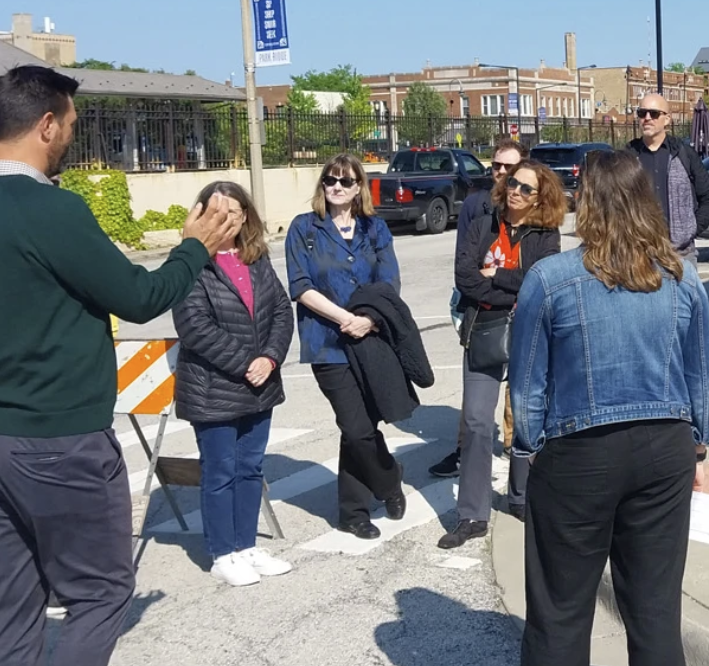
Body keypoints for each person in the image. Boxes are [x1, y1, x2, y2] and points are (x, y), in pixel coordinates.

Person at [0, 64, 238, 665]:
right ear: (46, 125)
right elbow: (138, 297)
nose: (72, 141)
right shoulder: (48, 210)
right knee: (101, 593)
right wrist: (195, 248)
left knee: (14, 603)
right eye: (73, 126)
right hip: (59, 436)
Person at [511, 150, 709, 665]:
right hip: (664, 447)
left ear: (587, 203)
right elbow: (701, 374)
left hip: (578, 451)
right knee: (654, 611)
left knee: (561, 608)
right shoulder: (682, 276)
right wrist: (698, 439)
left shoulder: (550, 277)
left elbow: (527, 381)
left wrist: (530, 445)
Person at [171, 181, 295, 587]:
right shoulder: (189, 262)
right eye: (219, 213)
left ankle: (246, 546)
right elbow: (195, 328)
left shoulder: (255, 258)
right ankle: (222, 552)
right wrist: (247, 363)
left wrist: (270, 358)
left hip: (259, 385)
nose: (229, 220)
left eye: (237, 212)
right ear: (202, 214)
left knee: (250, 468)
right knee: (220, 471)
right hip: (214, 388)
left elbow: (280, 310)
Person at [443, 160, 564, 547]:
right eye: (514, 183)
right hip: (483, 331)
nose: (516, 191)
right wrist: (504, 284)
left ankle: (521, 497)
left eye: (527, 188)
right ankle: (471, 515)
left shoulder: (547, 236)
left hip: (529, 333)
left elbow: (539, 281)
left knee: (528, 420)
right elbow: (465, 279)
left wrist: (494, 276)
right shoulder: (482, 225)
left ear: (539, 198)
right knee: (478, 422)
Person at [286, 154, 405, 539]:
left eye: (346, 181)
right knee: (355, 428)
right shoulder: (304, 229)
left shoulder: (375, 229)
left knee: (362, 426)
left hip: (371, 340)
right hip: (328, 344)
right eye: (330, 180)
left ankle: (352, 512)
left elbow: (388, 283)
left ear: (359, 188)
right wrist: (344, 319)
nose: (336, 186)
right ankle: (388, 481)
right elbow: (301, 286)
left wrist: (369, 320)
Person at [435, 138, 527, 480]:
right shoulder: (476, 204)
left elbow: (532, 272)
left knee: (518, 386)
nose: (501, 172)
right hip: (482, 308)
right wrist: (496, 288)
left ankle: (515, 446)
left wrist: (508, 283)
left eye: (509, 166)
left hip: (520, 308)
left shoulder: (533, 206)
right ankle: (465, 450)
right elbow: (467, 268)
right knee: (476, 386)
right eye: (496, 166)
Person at [628, 92, 709, 262]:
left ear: (667, 119)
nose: (647, 118)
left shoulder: (684, 154)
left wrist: (690, 229)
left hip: (681, 256)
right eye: (642, 113)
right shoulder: (628, 157)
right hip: (638, 257)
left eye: (654, 114)